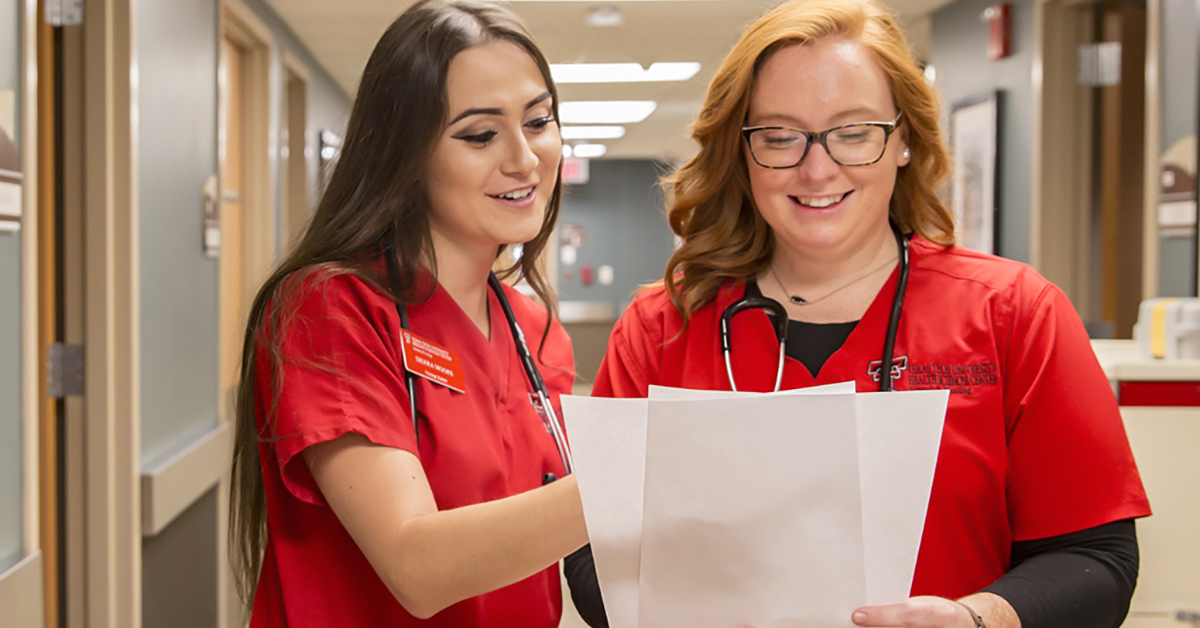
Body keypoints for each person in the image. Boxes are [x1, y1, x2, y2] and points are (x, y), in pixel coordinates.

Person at [564, 0, 1150, 626]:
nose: (818, 168)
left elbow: (1096, 557)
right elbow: (589, 550)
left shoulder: (1014, 314)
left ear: (902, 140)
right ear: (742, 150)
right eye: (780, 136)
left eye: (853, 133)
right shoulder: (662, 328)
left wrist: (980, 618)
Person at [227, 1, 589, 625]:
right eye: (480, 134)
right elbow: (416, 568)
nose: (525, 159)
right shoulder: (330, 310)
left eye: (538, 122)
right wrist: (643, 479)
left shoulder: (536, 336)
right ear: (407, 154)